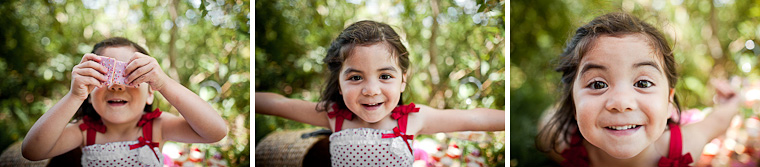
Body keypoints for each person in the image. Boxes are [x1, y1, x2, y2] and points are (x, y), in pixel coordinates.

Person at [255, 20, 505, 166]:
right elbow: (279, 103)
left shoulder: (413, 119)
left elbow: (474, 118)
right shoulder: (334, 116)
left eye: (385, 76)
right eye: (355, 77)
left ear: (403, 81)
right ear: (340, 84)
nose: (371, 90)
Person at [536, 12, 740, 167]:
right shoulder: (556, 139)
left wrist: (733, 100)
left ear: (669, 101)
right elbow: (547, 118)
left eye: (642, 83)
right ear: (573, 104)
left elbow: (719, 121)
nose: (621, 102)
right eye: (598, 84)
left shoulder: (682, 146)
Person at [21, 37, 228, 166]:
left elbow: (216, 132)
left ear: (150, 94)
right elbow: (32, 151)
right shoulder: (84, 131)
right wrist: (75, 96)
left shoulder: (158, 126)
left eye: (132, 76)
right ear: (90, 96)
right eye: (105, 77)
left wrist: (164, 82)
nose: (117, 86)